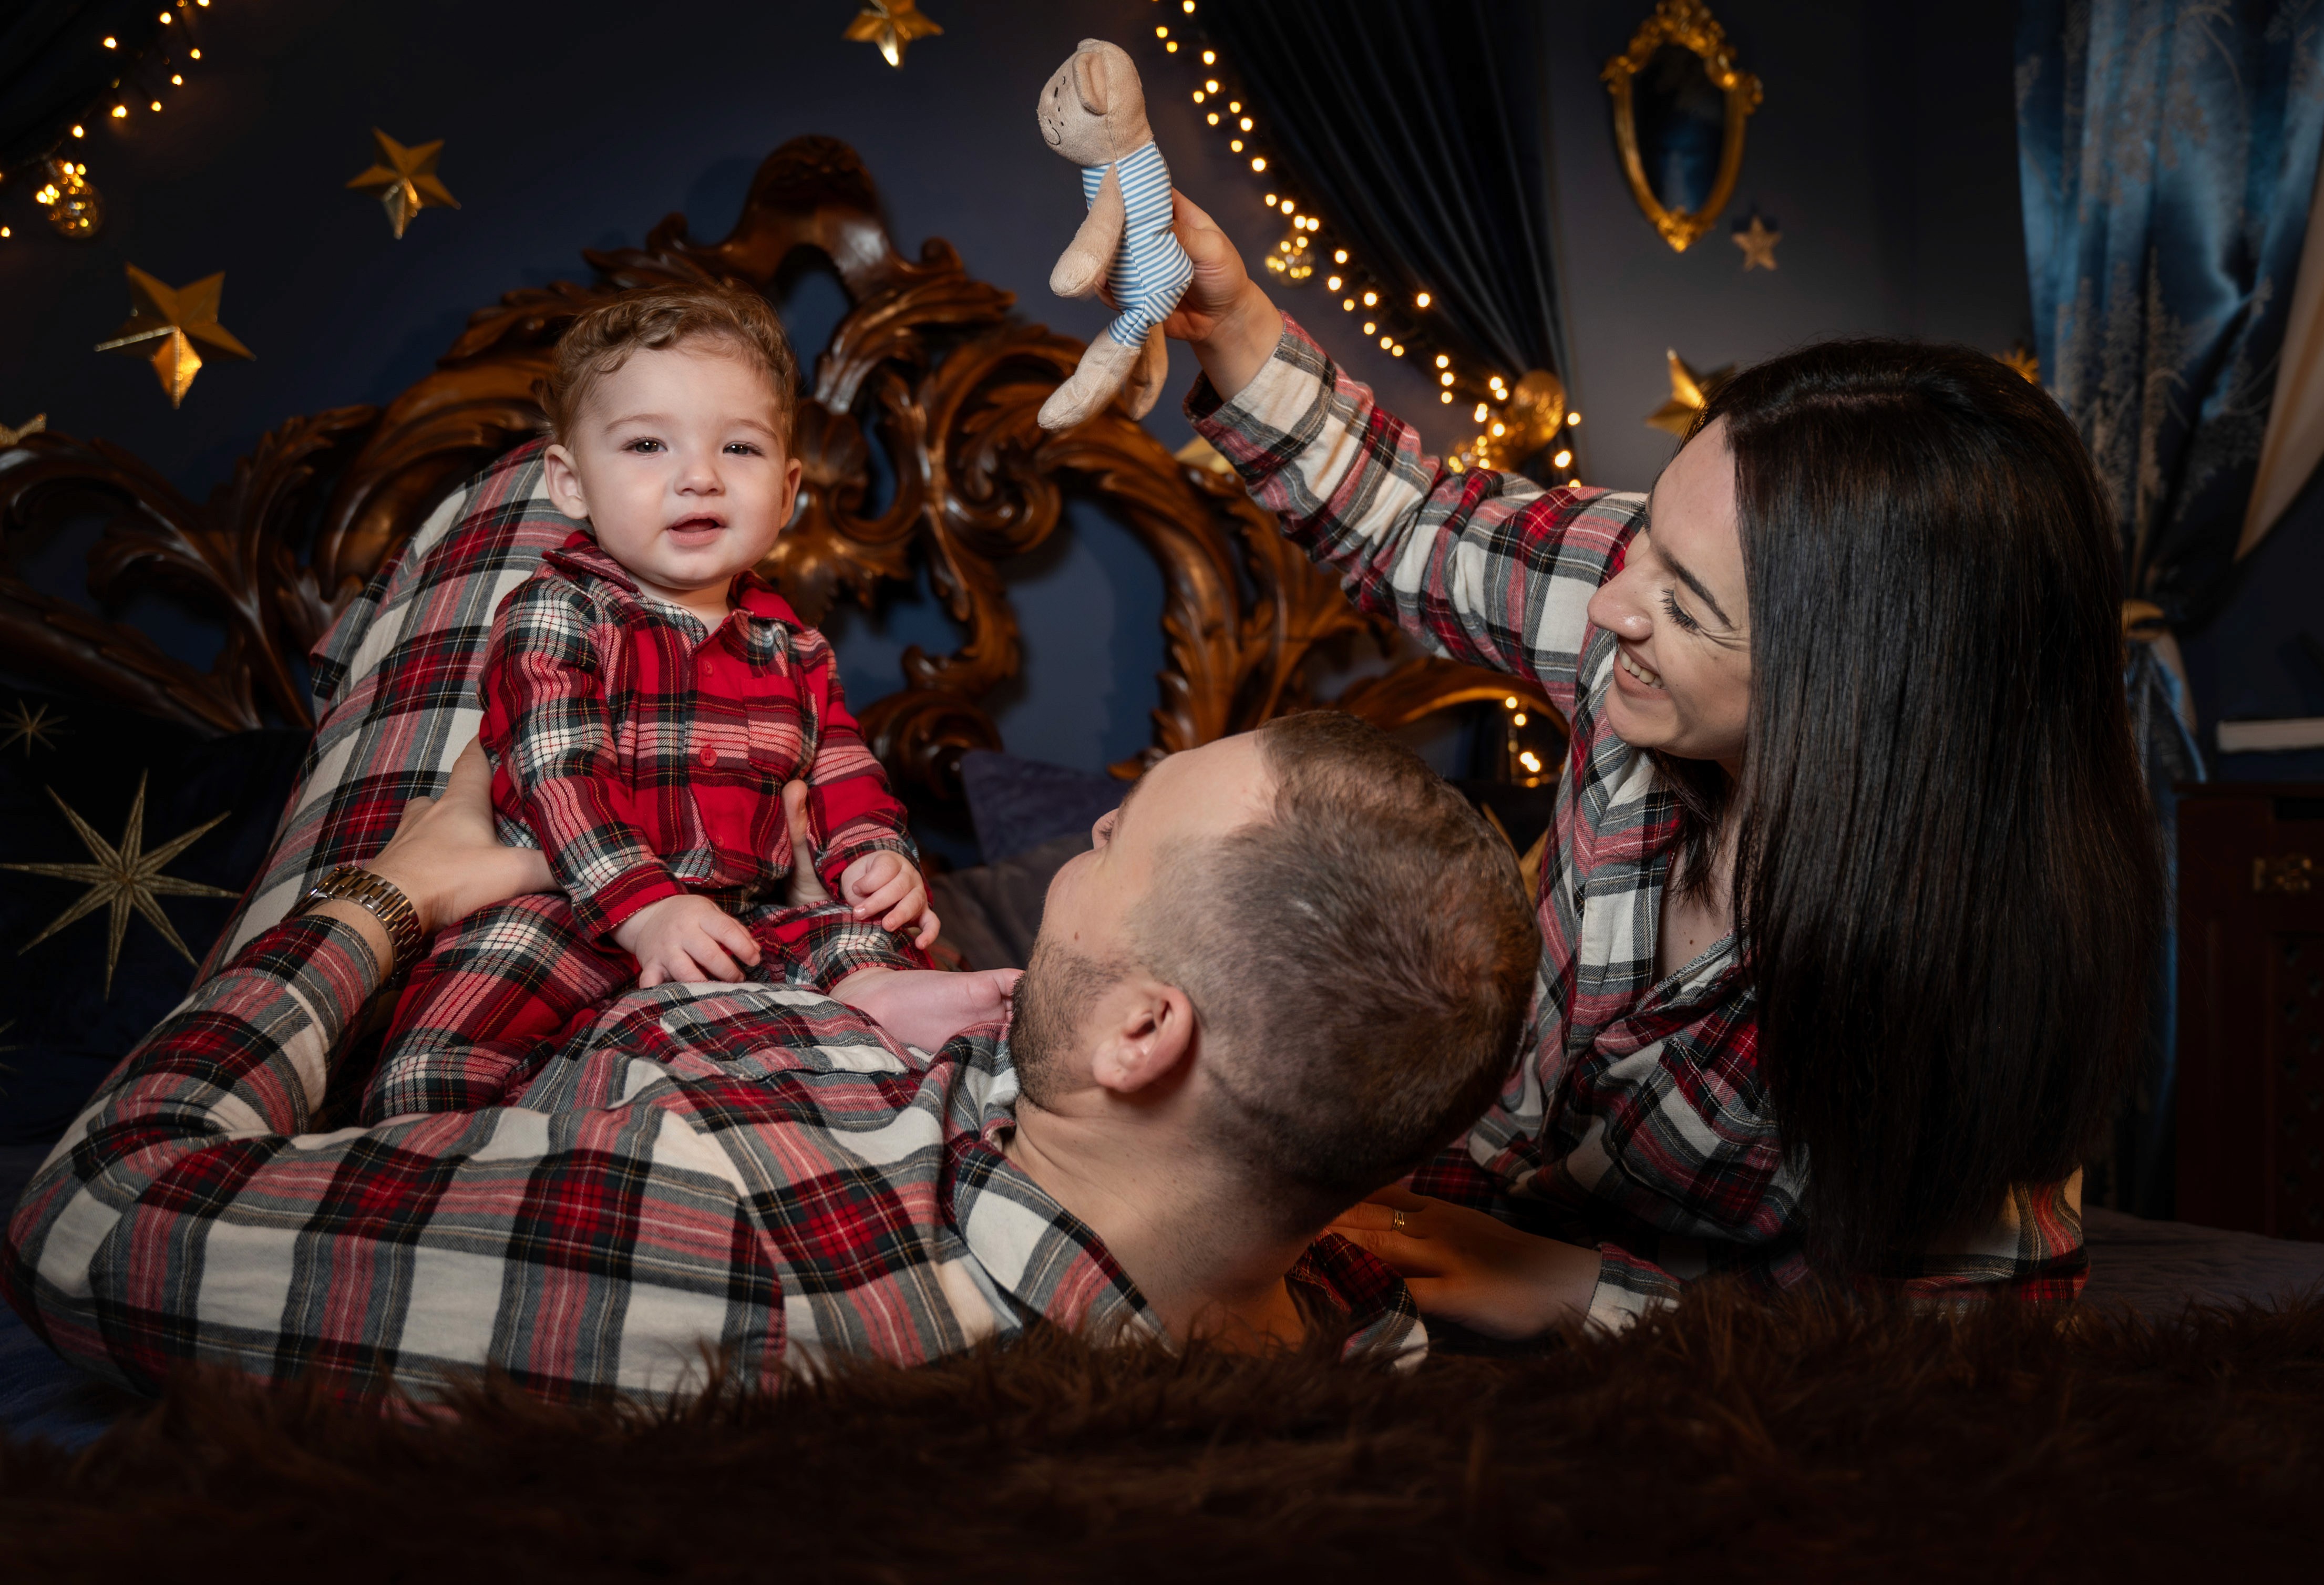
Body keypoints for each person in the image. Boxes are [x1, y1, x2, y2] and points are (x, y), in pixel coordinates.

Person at [1150, 191, 2162, 1334]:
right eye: (1641, 542)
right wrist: (1229, 321)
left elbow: (1950, 1329)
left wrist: (1581, 1293)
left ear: (1860, 692)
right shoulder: (1649, 589)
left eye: (1684, 606)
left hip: (1689, 1369)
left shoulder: (1972, 964)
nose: (1612, 603)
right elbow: (1413, 523)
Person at [2, 712, 1537, 1403]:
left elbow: (89, 1222)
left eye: (1114, 843)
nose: (1078, 844)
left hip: (453, 985)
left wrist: (381, 899)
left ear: (1145, 1035)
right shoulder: (1325, 1285)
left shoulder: (707, 1236)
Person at [375, 283, 965, 1123]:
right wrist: (645, 907)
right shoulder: (561, 611)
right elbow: (558, 772)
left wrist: (876, 856)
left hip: (745, 911)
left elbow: (842, 767)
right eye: (648, 445)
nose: (699, 478)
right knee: (481, 985)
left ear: (789, 489)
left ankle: (888, 1002)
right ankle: (433, 1137)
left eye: (740, 450)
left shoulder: (794, 646)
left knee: (853, 930)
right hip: (578, 904)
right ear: (570, 483)